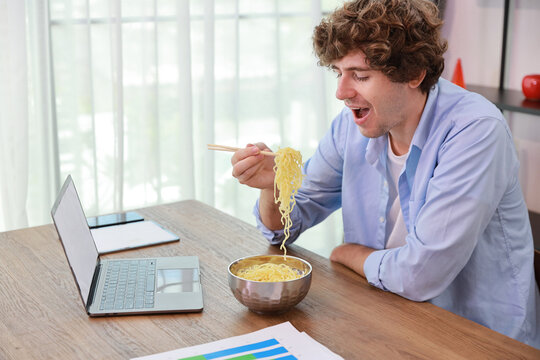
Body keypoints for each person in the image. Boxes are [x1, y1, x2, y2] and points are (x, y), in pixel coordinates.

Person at [231, 0, 540, 348]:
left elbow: (420, 274)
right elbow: (288, 223)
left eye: (360, 76)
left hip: (478, 340)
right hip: (387, 316)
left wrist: (348, 253)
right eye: (338, 73)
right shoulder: (351, 126)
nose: (341, 92)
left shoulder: (475, 131)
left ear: (414, 74)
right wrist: (273, 186)